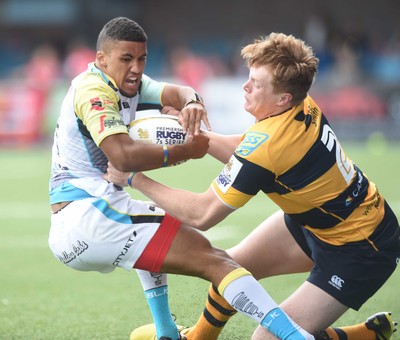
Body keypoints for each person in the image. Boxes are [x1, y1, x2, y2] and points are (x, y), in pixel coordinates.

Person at [105, 33, 400, 339]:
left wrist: (133, 178)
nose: (245, 87)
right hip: (317, 223)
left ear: (282, 98)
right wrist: (194, 134)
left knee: (266, 337)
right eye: (248, 78)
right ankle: (198, 337)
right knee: (229, 269)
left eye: (256, 84)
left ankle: (361, 336)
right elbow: (248, 150)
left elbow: (202, 214)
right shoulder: (298, 101)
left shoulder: (270, 144)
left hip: (362, 248)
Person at [48, 17, 316, 340]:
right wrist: (184, 151)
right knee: (218, 262)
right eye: (126, 59)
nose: (135, 68)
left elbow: (177, 92)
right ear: (101, 59)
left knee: (149, 229)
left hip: (82, 221)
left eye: (142, 58)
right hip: (90, 217)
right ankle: (297, 338)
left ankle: (166, 334)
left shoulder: (128, 82)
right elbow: (121, 156)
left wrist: (191, 102)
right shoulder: (93, 90)